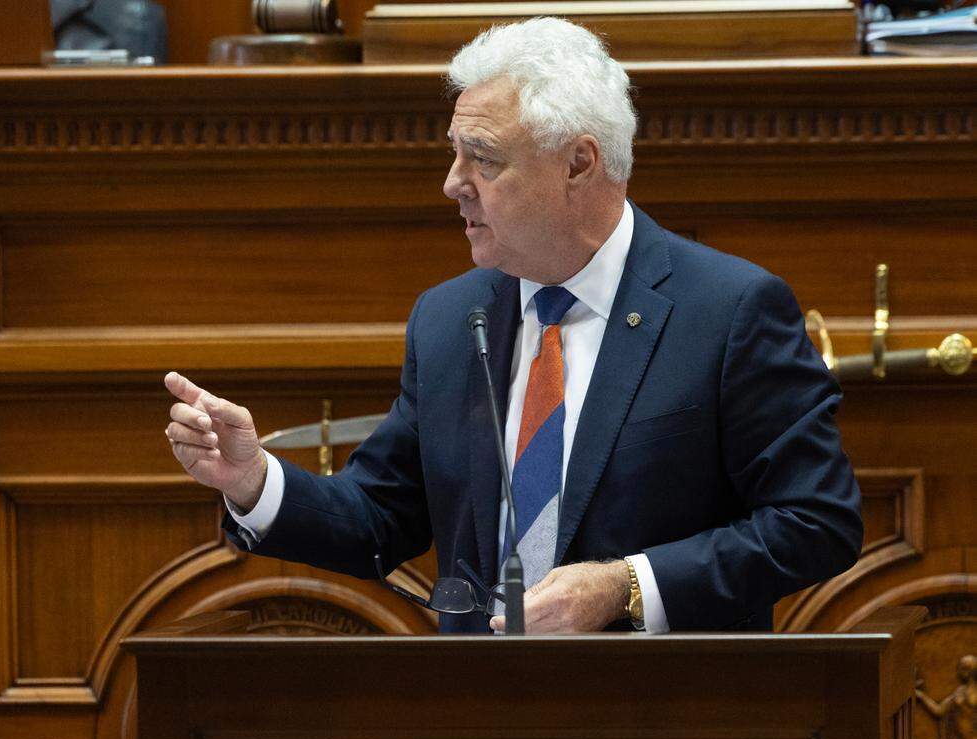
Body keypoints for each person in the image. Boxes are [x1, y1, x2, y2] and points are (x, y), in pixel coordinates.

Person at [163, 18, 863, 634]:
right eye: (454, 151)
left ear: (579, 163)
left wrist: (624, 587)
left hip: (671, 714)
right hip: (482, 715)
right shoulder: (448, 319)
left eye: (484, 158)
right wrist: (254, 479)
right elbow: (379, 514)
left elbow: (816, 523)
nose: (452, 181)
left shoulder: (730, 310)